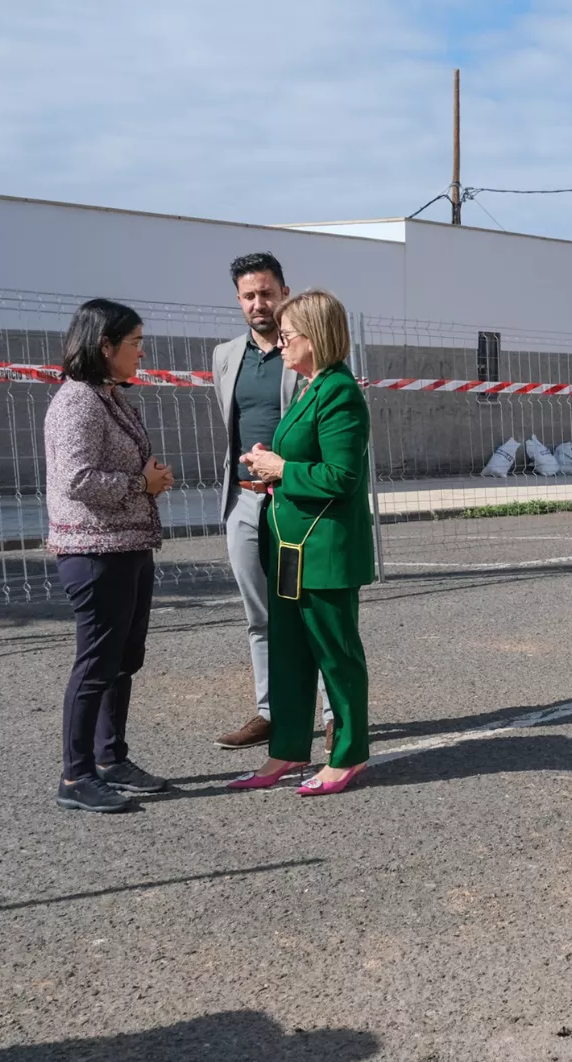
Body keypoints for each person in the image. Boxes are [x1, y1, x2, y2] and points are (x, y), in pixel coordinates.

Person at [228, 290, 376, 796]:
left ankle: (349, 754)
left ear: (318, 337)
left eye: (290, 334)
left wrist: (282, 468)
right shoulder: (310, 387)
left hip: (324, 549)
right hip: (290, 544)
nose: (282, 340)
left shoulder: (339, 391)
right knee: (289, 652)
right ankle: (287, 748)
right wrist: (270, 464)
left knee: (336, 655)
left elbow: (342, 476)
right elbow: (303, 460)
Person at [43, 299, 174, 812]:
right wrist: (141, 483)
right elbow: (75, 480)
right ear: (105, 345)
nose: (142, 352)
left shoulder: (109, 397)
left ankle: (110, 758)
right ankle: (75, 778)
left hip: (128, 545)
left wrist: (145, 482)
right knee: (96, 664)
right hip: (94, 551)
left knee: (124, 660)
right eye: (136, 343)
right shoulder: (77, 401)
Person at [210, 253, 332, 752]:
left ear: (284, 292)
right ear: (238, 300)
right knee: (258, 615)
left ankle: (331, 713)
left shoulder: (308, 354)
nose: (258, 303)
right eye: (248, 295)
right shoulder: (224, 356)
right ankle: (271, 711)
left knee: (305, 610)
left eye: (266, 292)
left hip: (293, 506)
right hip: (242, 502)